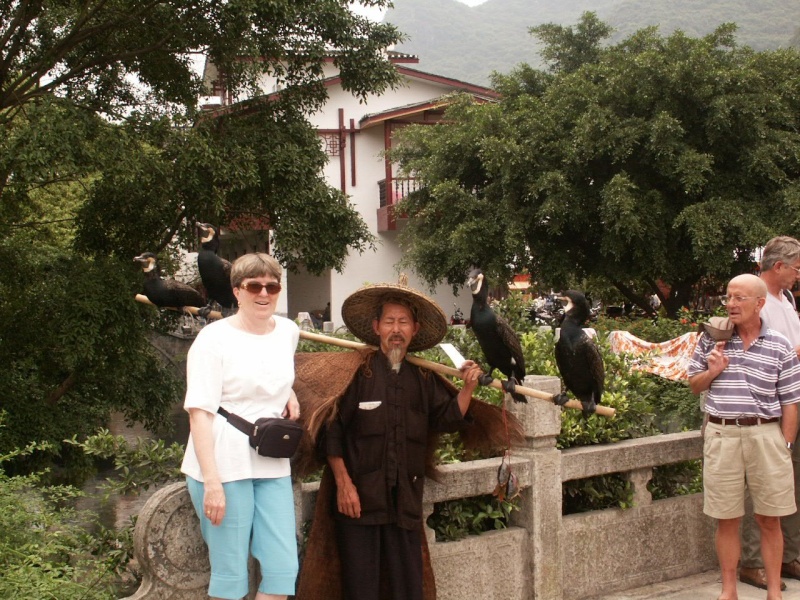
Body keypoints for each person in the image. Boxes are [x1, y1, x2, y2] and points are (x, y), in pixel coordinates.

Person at [295, 281, 485, 600]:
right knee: (360, 588)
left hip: (404, 504)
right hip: (359, 503)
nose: (396, 330)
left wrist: (467, 387)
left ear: (415, 329)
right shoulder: (357, 374)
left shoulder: (423, 378)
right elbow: (333, 432)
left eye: (403, 322)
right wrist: (344, 485)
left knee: (407, 587)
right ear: (376, 327)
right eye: (389, 322)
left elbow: (448, 417)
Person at [180, 252, 301, 600]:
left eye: (272, 286)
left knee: (282, 571)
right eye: (254, 286)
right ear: (237, 291)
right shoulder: (213, 339)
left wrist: (288, 391)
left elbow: (266, 369)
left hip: (270, 458)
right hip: (223, 459)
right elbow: (199, 411)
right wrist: (212, 482)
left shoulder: (288, 332)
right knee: (231, 574)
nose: (264, 294)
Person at [688, 273, 800, 600]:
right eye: (728, 297)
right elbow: (694, 384)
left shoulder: (780, 345)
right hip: (722, 433)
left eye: (740, 298)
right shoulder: (712, 340)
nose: (731, 304)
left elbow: (791, 401)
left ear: (760, 304)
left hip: (767, 436)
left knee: (770, 518)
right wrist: (712, 370)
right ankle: (728, 591)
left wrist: (786, 443)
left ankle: (775, 593)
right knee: (727, 518)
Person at [740, 236, 800, 590]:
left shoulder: (786, 299)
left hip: (792, 399)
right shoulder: (755, 299)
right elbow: (754, 350)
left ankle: (789, 555)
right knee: (759, 484)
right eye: (795, 268)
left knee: (789, 482)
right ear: (778, 267)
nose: (797, 275)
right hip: (767, 405)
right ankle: (751, 561)